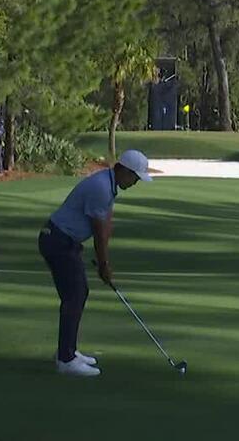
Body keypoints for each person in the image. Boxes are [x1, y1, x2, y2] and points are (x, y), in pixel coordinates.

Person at [38, 150, 153, 377]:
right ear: (123, 170)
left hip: (63, 242)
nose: (136, 182)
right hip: (57, 241)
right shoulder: (101, 187)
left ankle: (67, 351)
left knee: (76, 294)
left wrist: (104, 263)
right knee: (75, 295)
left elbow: (107, 223)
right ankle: (66, 359)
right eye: (135, 177)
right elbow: (98, 231)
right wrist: (104, 264)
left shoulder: (108, 185)